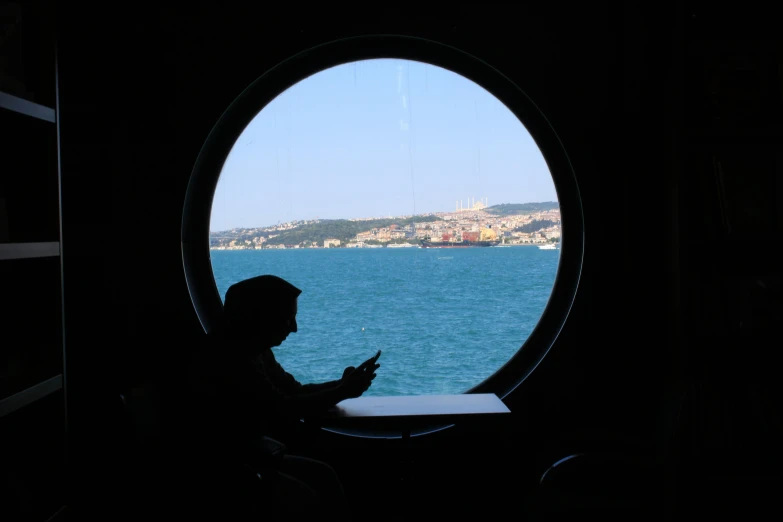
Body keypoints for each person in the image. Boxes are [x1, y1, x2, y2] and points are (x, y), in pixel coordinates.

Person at [184, 274, 380, 520]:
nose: (294, 328)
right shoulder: (232, 357)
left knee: (323, 476)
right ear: (260, 316)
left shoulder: (251, 349)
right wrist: (342, 391)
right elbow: (281, 407)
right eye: (288, 318)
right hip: (223, 471)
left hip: (243, 460)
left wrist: (342, 385)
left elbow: (292, 391)